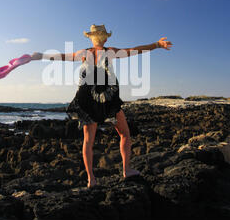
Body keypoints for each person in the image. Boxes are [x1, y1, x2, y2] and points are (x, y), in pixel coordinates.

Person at [31, 24, 172, 188]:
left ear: (91, 38)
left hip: (86, 97)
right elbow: (134, 50)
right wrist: (156, 45)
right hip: (108, 97)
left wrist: (39, 55)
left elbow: (61, 56)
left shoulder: (83, 53)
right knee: (124, 134)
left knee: (88, 141)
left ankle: (91, 179)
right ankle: (126, 170)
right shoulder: (109, 51)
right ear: (104, 38)